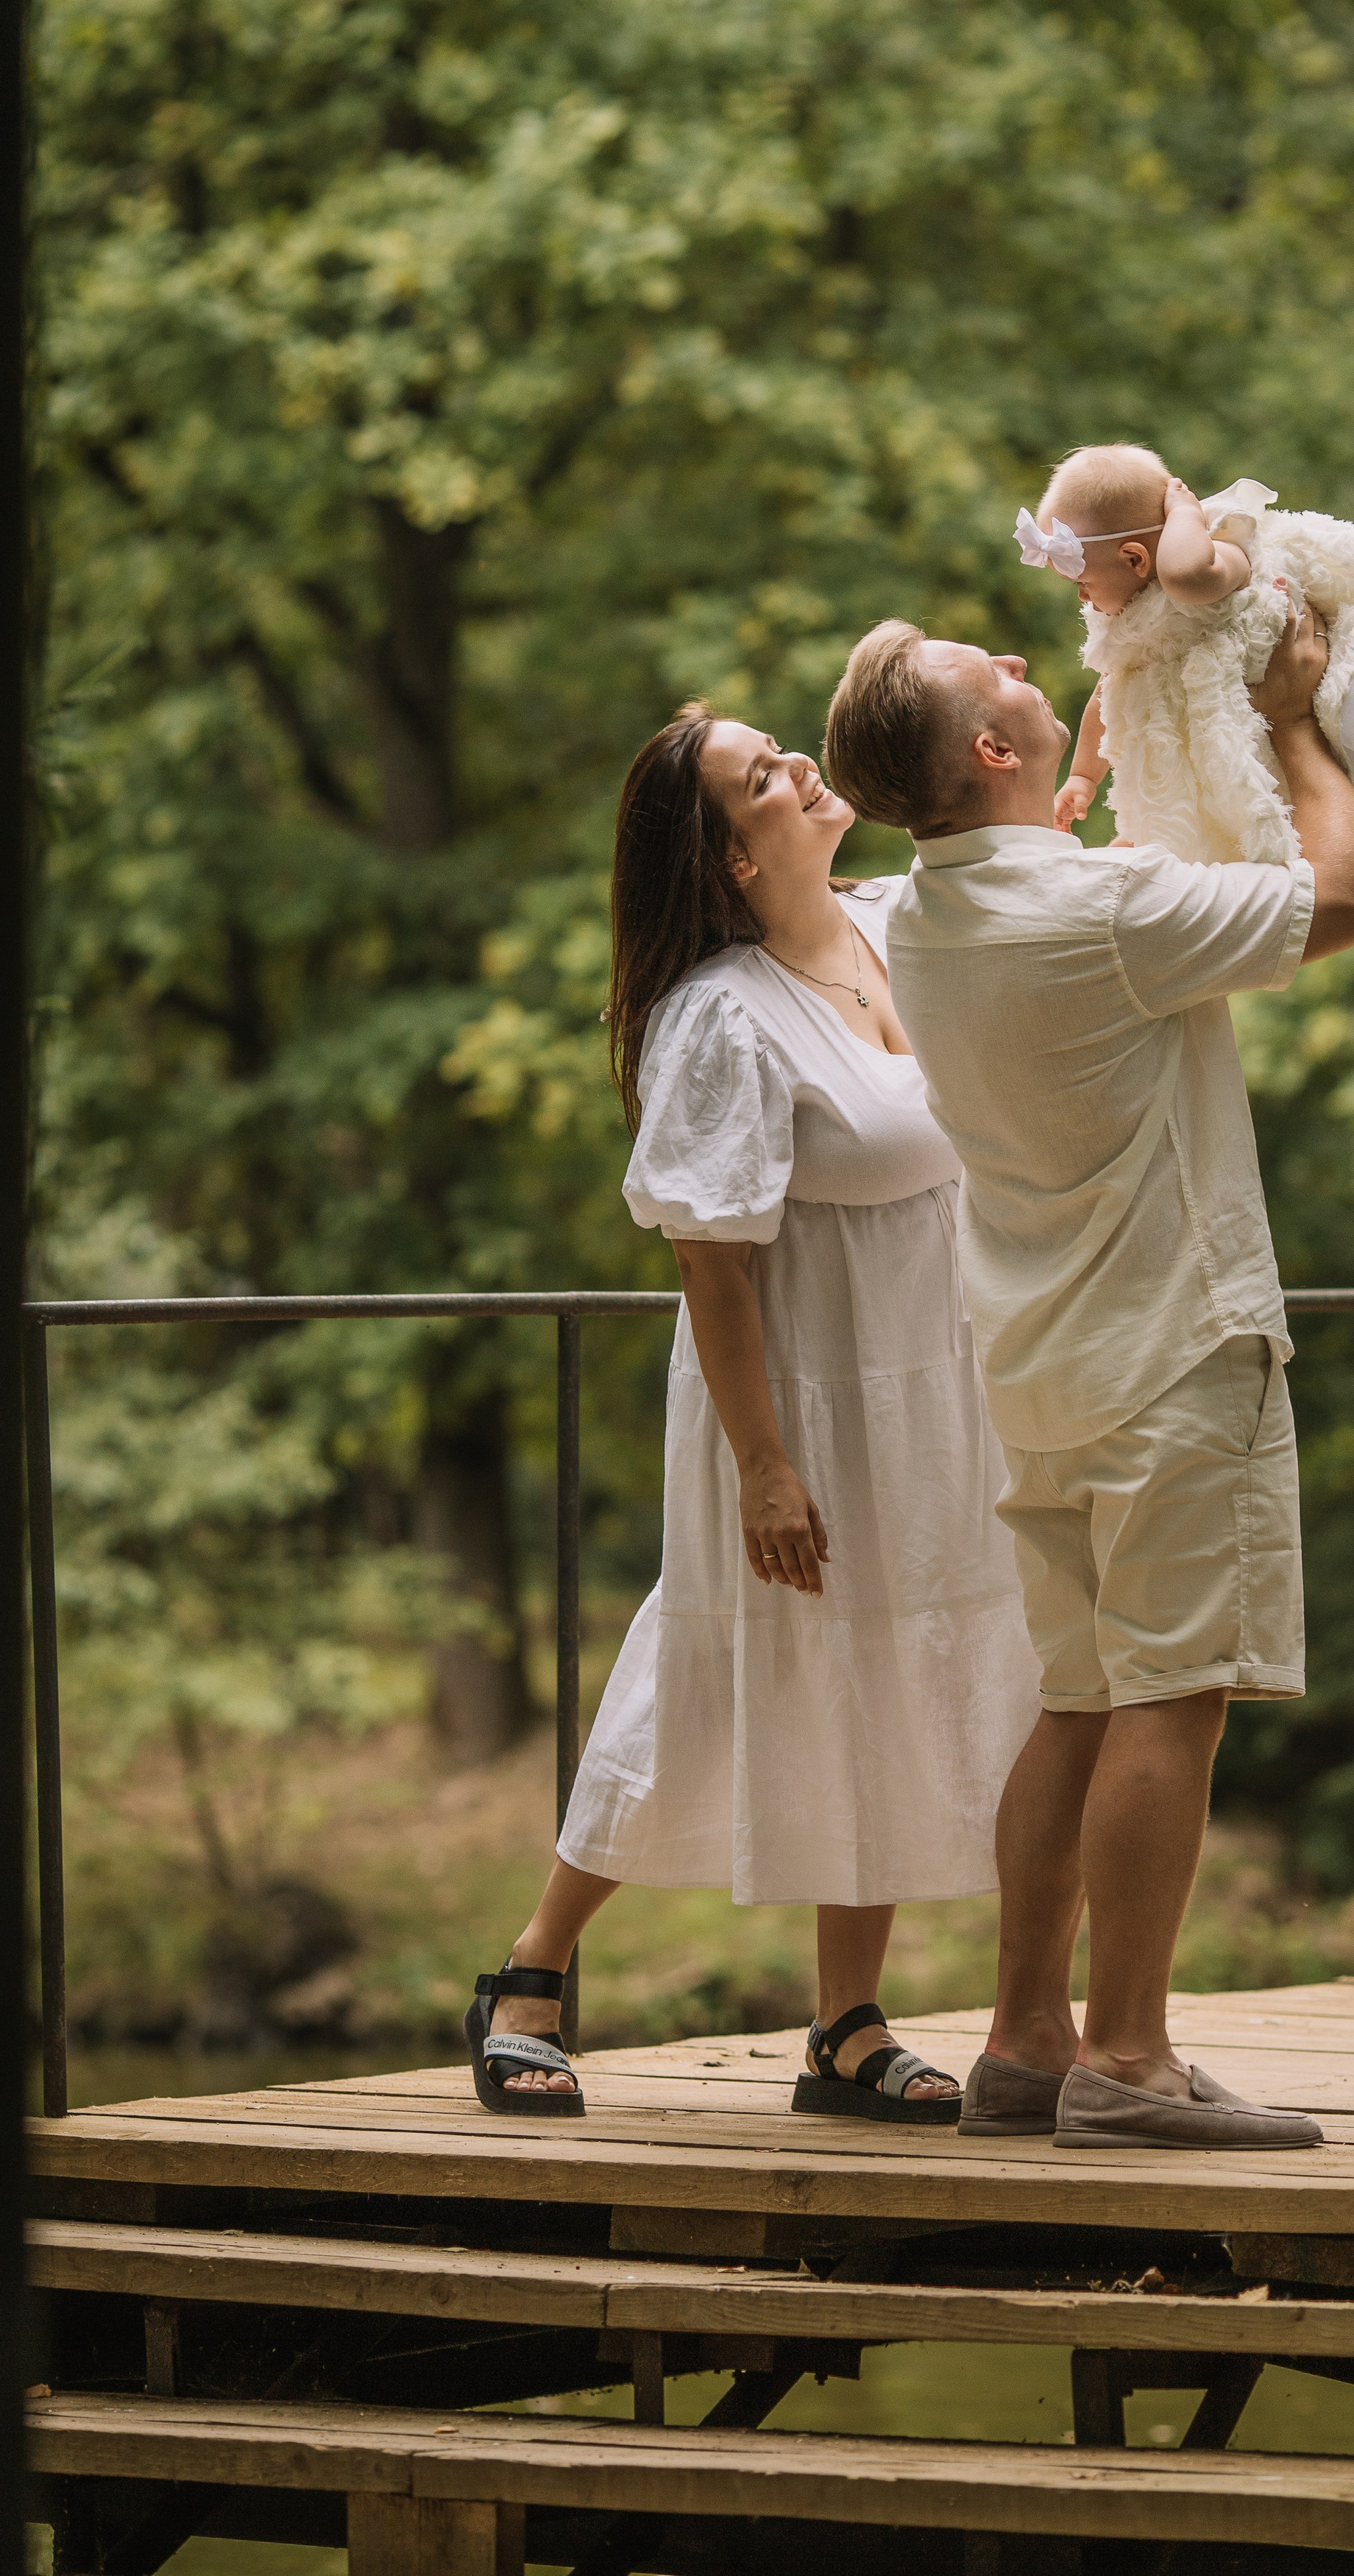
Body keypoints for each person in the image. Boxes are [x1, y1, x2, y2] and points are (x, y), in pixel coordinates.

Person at [821, 603, 1354, 2150]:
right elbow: (1349, 893)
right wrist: (1293, 724)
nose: (1020, 659)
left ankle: (1021, 2039)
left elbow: (1031, 879)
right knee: (1170, 1695)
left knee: (1076, 1699)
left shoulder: (923, 915)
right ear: (996, 751)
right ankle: (1127, 2059)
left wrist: (1049, 826)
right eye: (995, 678)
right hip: (1170, 1345)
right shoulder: (1100, 910)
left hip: (1042, 1366)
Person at [463, 704, 1041, 2121]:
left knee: (894, 1671)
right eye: (762, 778)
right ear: (729, 859)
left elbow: (1040, 861)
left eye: (785, 748)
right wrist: (763, 1467)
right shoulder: (722, 1018)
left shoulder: (896, 922)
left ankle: (846, 2025)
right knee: (717, 1665)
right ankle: (531, 1974)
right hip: (798, 1395)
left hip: (938, 1386)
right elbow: (710, 1265)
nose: (800, 770)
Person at [1026, 440, 1354, 968]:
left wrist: (1185, 511)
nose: (1082, 600)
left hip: (1340, 707)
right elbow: (1111, 698)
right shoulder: (1128, 627)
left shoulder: (1224, 550)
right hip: (1262, 738)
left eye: (1082, 582)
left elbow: (1188, 577)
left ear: (1137, 557)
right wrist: (1084, 779)